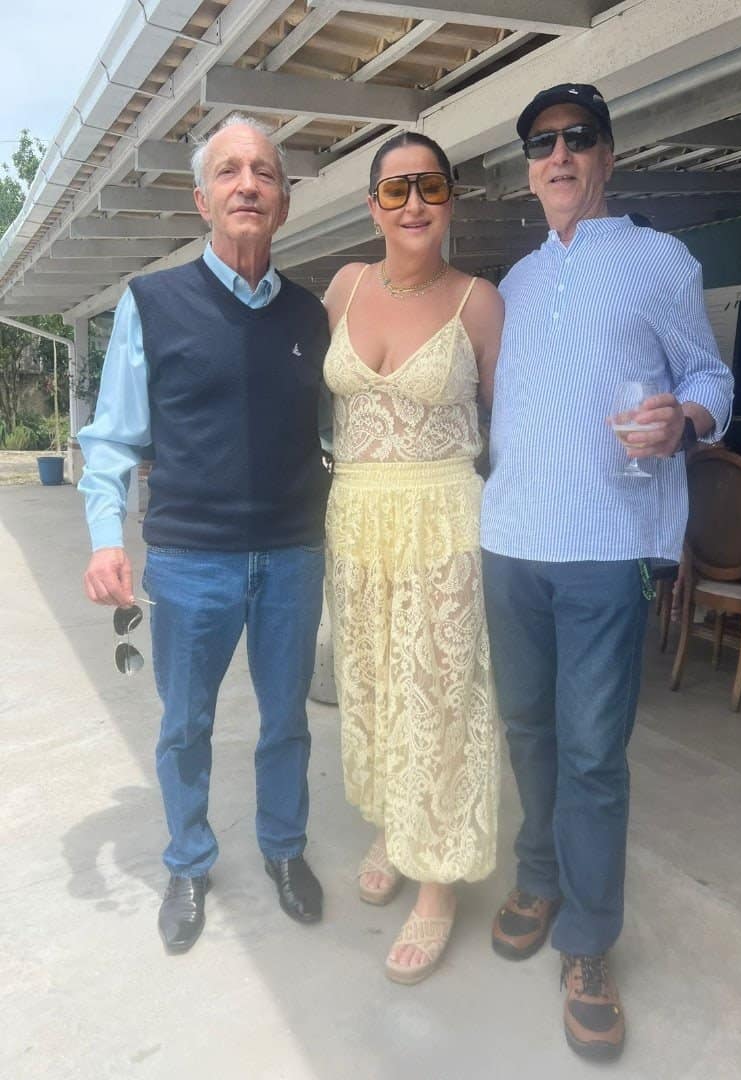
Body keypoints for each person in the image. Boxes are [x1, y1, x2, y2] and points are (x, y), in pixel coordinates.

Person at [480, 84, 734, 1059]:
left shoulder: (661, 261)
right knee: (527, 730)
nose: (558, 155)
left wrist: (687, 420)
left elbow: (710, 375)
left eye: (577, 138)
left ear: (608, 156)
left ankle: (587, 944)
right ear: (529, 168)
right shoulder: (514, 282)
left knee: (592, 754)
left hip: (603, 549)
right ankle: (540, 877)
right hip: (512, 544)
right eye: (541, 143)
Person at [78, 114, 331, 954]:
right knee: (185, 724)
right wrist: (105, 537)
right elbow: (113, 437)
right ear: (201, 199)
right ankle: (188, 861)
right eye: (229, 171)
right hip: (189, 560)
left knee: (286, 719)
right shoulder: (152, 304)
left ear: (284, 201)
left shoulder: (310, 316)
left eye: (264, 172)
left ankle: (284, 848)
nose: (247, 184)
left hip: (293, 555)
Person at [322, 132, 503, 984]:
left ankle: (438, 884)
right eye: (395, 190)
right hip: (357, 521)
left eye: (430, 186)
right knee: (375, 684)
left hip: (442, 521)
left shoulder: (479, 302)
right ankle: (396, 826)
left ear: (451, 198)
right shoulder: (345, 287)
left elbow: (507, 426)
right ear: (373, 207)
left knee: (440, 693)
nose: (414, 204)